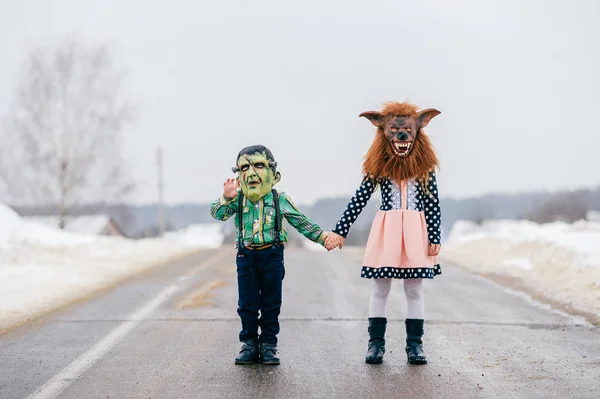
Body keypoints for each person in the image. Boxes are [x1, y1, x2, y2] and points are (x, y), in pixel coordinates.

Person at [325, 102, 442, 365]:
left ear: (418, 130)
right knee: (380, 288)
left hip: (415, 235)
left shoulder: (424, 170)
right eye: (394, 130)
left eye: (407, 130)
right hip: (387, 232)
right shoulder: (379, 169)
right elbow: (359, 199)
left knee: (414, 290)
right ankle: (375, 344)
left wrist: (434, 237)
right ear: (384, 131)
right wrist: (340, 231)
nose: (401, 136)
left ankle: (415, 346)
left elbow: (433, 203)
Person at [210, 144, 329, 365]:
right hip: (246, 256)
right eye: (244, 167)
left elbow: (300, 221)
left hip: (272, 256)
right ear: (238, 176)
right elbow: (217, 213)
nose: (252, 172)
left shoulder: (279, 199)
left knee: (271, 302)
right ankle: (249, 344)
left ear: (274, 175)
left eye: (259, 165)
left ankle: (268, 345)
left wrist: (322, 237)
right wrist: (226, 198)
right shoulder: (238, 199)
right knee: (247, 303)